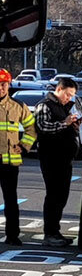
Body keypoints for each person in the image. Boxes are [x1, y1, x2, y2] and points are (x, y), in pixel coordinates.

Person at [33, 77, 78, 247]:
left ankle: (55, 231)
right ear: (59, 89)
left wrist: (72, 124)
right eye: (67, 94)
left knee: (62, 195)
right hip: (51, 157)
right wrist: (64, 123)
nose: (69, 98)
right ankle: (50, 233)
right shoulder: (45, 105)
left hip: (64, 158)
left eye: (71, 96)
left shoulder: (63, 107)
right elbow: (43, 127)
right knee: (53, 195)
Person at [0, 68, 35, 245]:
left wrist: (24, 145)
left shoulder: (18, 107)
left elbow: (31, 129)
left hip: (10, 163)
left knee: (11, 201)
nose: (1, 88)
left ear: (9, 85)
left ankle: (12, 235)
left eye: (3, 84)